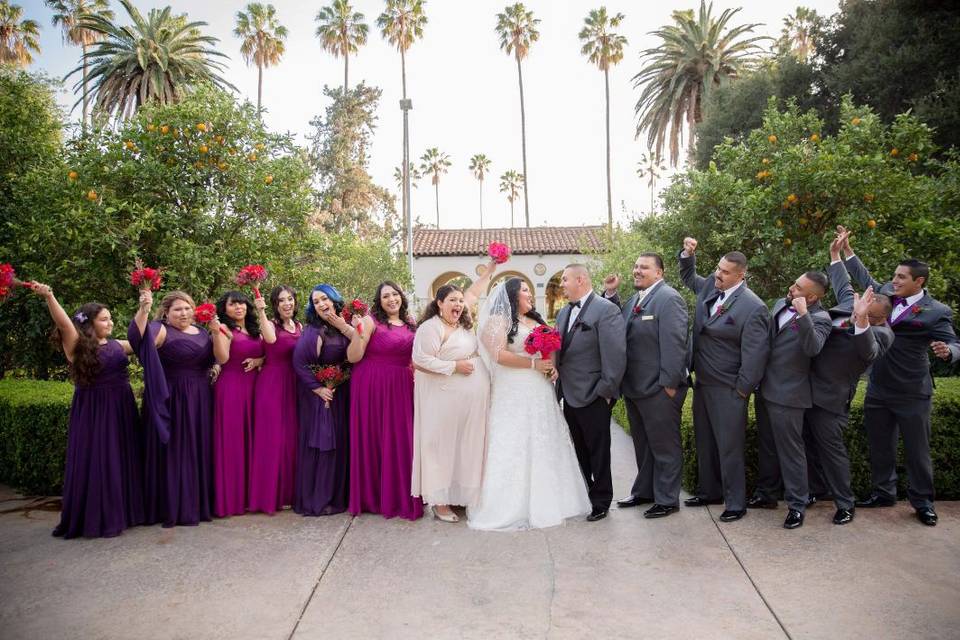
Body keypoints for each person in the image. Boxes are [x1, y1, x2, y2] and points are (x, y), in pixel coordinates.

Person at [839, 229, 960, 526]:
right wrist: (847, 250)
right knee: (880, 445)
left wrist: (948, 352)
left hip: (912, 391)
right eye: (894, 276)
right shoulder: (887, 294)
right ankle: (883, 493)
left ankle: (923, 502)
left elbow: (955, 343)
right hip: (879, 386)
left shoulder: (936, 311)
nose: (894, 281)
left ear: (919, 282)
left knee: (918, 451)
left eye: (901, 278)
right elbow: (865, 278)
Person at [469, 277, 591, 530]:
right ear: (513, 295)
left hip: (540, 390)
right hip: (513, 389)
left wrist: (551, 368)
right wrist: (533, 364)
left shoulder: (536, 321)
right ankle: (510, 505)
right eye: (525, 290)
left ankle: (554, 500)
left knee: (544, 440)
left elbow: (549, 350)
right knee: (515, 441)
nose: (530, 294)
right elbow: (498, 354)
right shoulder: (498, 321)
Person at [33, 282, 146, 538]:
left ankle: (126, 511)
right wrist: (50, 296)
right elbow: (64, 325)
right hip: (95, 409)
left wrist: (144, 307)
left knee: (122, 456)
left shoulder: (119, 344)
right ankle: (101, 515)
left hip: (122, 406)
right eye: (105, 319)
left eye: (111, 319)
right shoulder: (77, 346)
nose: (110, 323)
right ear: (90, 323)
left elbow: (139, 337)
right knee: (101, 458)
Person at [678, 237, 770, 522]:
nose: (718, 274)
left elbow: (755, 355)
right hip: (703, 383)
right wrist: (687, 254)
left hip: (729, 389)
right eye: (718, 268)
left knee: (729, 447)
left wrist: (742, 390)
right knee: (706, 441)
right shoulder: (711, 286)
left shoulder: (753, 307)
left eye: (725, 272)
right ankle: (710, 491)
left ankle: (735, 502)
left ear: (740, 275)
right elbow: (688, 277)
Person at [804, 240, 895, 525]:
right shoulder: (849, 304)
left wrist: (862, 320)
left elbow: (868, 351)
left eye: (866, 310)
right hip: (803, 390)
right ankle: (815, 490)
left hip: (830, 399)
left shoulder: (881, 334)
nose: (856, 309)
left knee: (832, 452)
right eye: (858, 306)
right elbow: (842, 283)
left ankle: (845, 503)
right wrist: (834, 254)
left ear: (878, 318)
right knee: (806, 446)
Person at [411, 261, 496, 522]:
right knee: (441, 447)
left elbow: (475, 291)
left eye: (460, 301)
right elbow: (420, 360)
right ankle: (440, 501)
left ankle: (460, 495)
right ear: (439, 303)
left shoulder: (461, 325)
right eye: (452, 300)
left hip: (471, 402)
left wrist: (492, 266)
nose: (458, 304)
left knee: (466, 447)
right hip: (442, 399)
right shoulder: (431, 328)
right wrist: (455, 366)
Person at [749, 271, 832, 529]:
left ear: (812, 296)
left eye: (798, 287)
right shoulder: (778, 305)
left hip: (789, 395)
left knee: (791, 452)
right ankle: (767, 494)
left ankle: (797, 505)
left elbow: (813, 348)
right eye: (794, 283)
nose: (791, 288)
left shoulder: (821, 318)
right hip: (764, 388)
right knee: (768, 446)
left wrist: (804, 315)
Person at [130, 290, 217, 527]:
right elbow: (138, 340)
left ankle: (197, 504)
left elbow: (216, 357)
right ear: (166, 312)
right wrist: (143, 310)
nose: (184, 312)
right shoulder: (160, 329)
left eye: (188, 307)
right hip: (172, 398)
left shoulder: (202, 332)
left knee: (197, 449)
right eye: (178, 309)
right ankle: (173, 506)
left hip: (200, 398)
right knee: (176, 450)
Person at [612, 253, 689, 519]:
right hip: (635, 388)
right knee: (643, 445)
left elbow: (675, 344)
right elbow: (619, 329)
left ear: (660, 273)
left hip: (658, 389)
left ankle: (667, 499)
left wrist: (668, 385)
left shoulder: (669, 299)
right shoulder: (635, 299)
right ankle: (644, 491)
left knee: (665, 446)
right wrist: (610, 295)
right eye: (635, 266)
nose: (637, 271)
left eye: (644, 267)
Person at [554, 264, 627, 522]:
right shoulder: (563, 313)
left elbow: (615, 355)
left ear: (581, 279)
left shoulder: (605, 310)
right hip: (569, 393)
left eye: (565, 279)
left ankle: (602, 499)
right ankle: (584, 493)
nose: (561, 284)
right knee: (579, 450)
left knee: (598, 450)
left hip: (594, 394)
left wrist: (605, 391)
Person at [348, 281, 423, 520]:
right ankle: (372, 498)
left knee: (402, 439)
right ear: (379, 302)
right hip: (371, 385)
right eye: (385, 296)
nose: (391, 299)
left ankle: (400, 496)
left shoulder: (412, 324)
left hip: (401, 385)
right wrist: (358, 334)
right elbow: (353, 357)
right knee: (373, 437)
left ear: (401, 297)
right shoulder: (370, 321)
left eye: (394, 294)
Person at [292, 284, 354, 516]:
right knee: (324, 446)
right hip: (322, 397)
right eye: (316, 302)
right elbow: (299, 362)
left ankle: (340, 495)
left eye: (324, 299)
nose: (321, 304)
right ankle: (319, 498)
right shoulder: (313, 331)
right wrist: (318, 388)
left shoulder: (342, 325)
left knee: (341, 443)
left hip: (343, 393)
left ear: (334, 299)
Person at [248, 286, 301, 514]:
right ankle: (268, 496)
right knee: (272, 438)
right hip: (272, 384)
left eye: (290, 299)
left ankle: (289, 492)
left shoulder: (300, 327)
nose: (287, 303)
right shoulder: (271, 324)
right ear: (275, 305)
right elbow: (269, 340)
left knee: (291, 438)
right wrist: (260, 311)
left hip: (294, 384)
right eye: (281, 301)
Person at [211, 290, 264, 517]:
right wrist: (216, 334)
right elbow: (222, 358)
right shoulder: (223, 329)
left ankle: (252, 496)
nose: (239, 308)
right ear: (225, 308)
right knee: (233, 441)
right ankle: (232, 499)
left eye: (242, 303)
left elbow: (268, 353)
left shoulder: (255, 330)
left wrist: (260, 359)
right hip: (231, 387)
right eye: (233, 304)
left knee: (254, 440)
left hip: (256, 388)